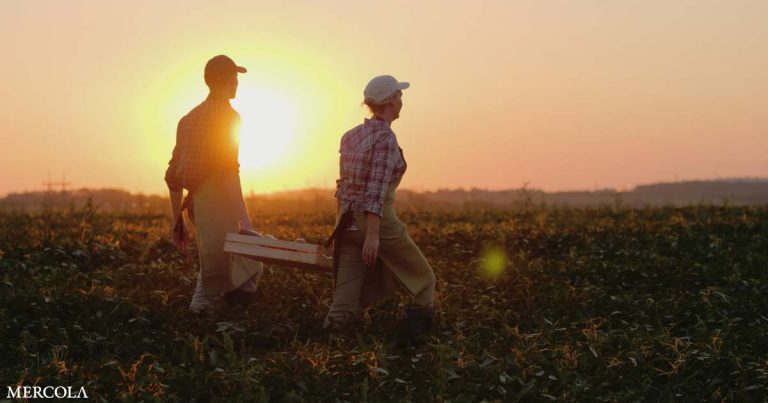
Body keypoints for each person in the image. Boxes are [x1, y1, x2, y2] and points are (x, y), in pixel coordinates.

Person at [324, 75, 437, 340]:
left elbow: (343, 187)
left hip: (347, 223)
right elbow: (375, 190)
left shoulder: (350, 136)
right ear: (390, 102)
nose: (402, 101)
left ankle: (325, 347)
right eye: (399, 96)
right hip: (376, 222)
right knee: (424, 280)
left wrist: (341, 226)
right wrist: (373, 236)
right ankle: (418, 346)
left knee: (344, 301)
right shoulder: (385, 139)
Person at [164, 55, 263, 313]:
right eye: (235, 77)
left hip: (198, 206)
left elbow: (173, 177)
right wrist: (245, 219)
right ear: (224, 80)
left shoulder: (188, 119)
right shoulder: (229, 117)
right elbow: (229, 170)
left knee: (221, 262)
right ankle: (216, 322)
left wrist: (178, 221)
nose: (237, 82)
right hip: (219, 203)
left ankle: (221, 318)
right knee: (239, 264)